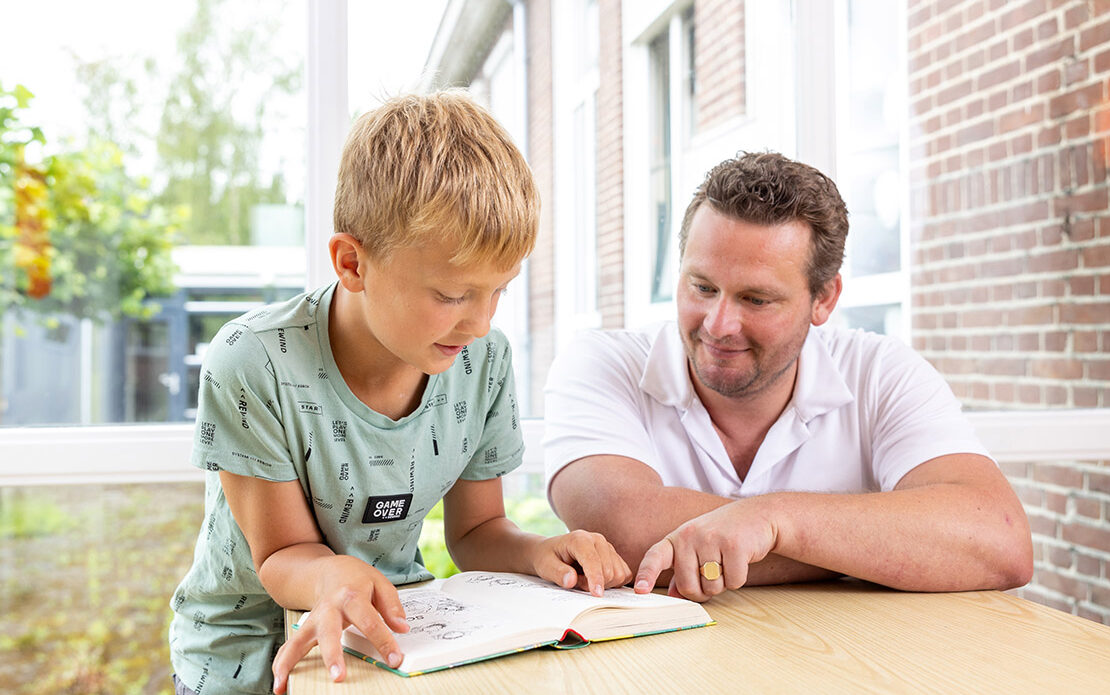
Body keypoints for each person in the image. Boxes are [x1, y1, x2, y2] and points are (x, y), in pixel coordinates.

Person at [168, 91, 631, 695]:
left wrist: (540, 551)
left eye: (500, 290)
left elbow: (477, 531)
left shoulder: (482, 359)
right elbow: (282, 555)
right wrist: (333, 577)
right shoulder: (252, 362)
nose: (481, 323)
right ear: (352, 262)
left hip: (393, 648)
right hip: (251, 664)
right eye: (452, 296)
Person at [543, 151, 1033, 603]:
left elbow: (998, 538)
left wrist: (774, 520)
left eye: (756, 299)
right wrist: (867, 552)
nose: (718, 324)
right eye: (702, 286)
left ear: (824, 299)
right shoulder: (601, 363)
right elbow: (625, 532)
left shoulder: (882, 373)